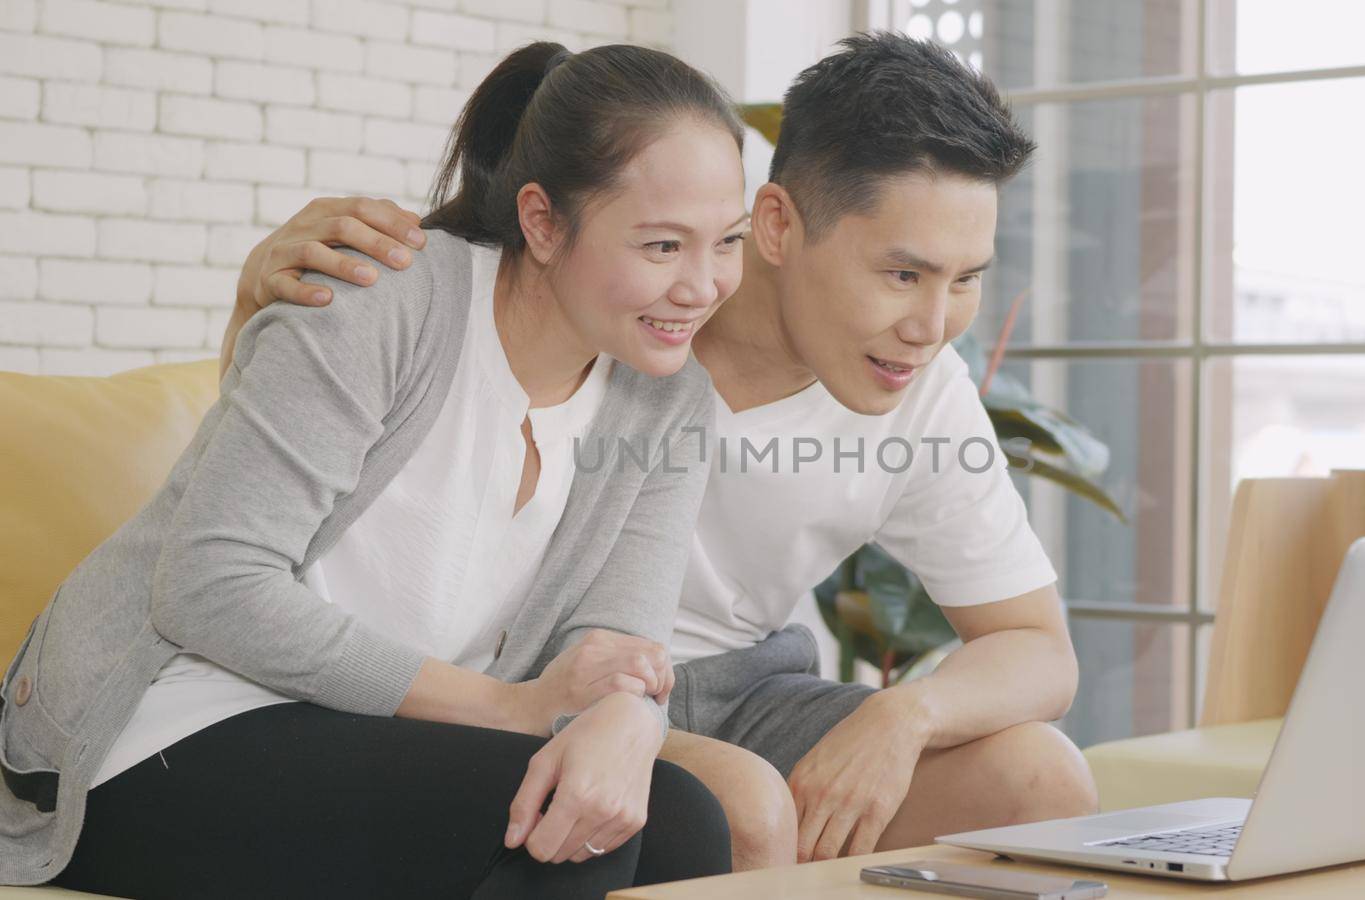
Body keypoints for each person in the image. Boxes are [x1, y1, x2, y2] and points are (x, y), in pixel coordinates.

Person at [222, 32, 1100, 873]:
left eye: (968, 278)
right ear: (779, 224)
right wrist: (258, 302)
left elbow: (1037, 649)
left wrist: (909, 715)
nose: (932, 325)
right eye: (902, 274)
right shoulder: (630, 290)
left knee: (1040, 779)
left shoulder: (925, 392)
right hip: (543, 673)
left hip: (749, 689)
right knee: (738, 808)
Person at [0, 41, 752, 898]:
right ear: (542, 223)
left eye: (726, 242)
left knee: (686, 822)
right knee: (567, 835)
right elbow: (209, 586)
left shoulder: (669, 399)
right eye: (662, 246)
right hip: (166, 721)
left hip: (382, 733)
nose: (703, 285)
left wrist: (630, 719)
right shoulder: (379, 301)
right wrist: (513, 709)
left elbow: (620, 649)